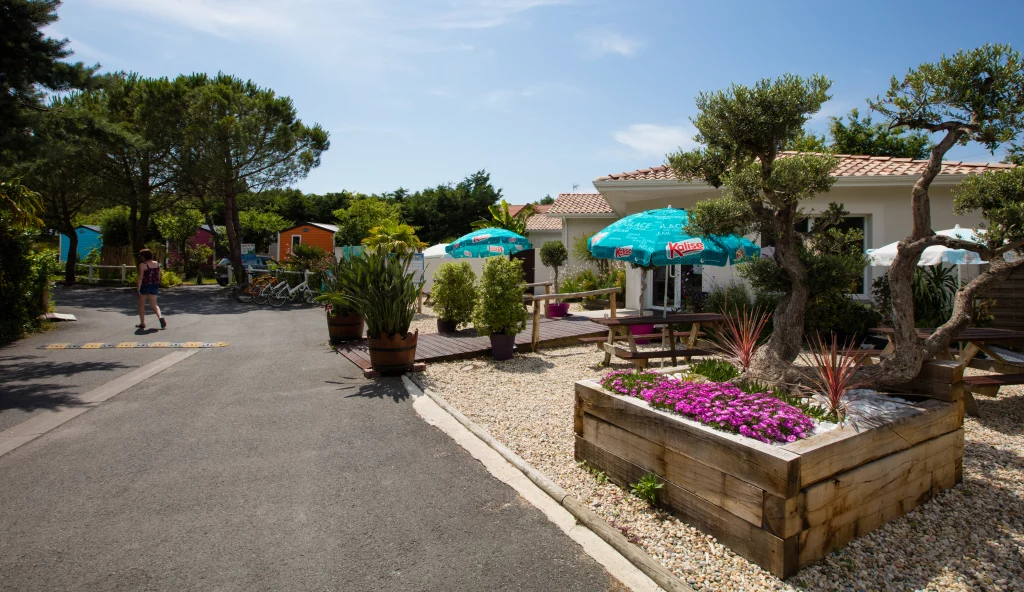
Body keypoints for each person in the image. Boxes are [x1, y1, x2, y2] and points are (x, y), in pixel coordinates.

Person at [136, 248, 166, 329]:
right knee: (154, 305)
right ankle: (160, 316)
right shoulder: (157, 264)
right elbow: (159, 276)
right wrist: (157, 283)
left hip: (145, 286)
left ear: (143, 257)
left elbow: (140, 277)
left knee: (141, 305)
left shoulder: (143, 265)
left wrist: (138, 289)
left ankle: (142, 323)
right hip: (154, 285)